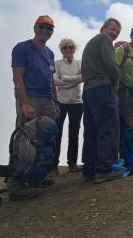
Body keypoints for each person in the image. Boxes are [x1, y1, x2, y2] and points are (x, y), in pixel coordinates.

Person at [10, 14, 59, 200]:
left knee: (45, 139)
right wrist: (24, 102)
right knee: (24, 139)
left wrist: (55, 102)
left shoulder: (50, 53)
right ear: (35, 27)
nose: (45, 31)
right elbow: (17, 77)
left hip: (47, 100)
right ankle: (16, 186)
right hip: (30, 97)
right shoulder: (22, 48)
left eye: (49, 28)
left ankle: (36, 177)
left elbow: (51, 79)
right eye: (42, 27)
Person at [81, 18, 122, 183]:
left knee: (91, 130)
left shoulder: (91, 43)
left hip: (89, 90)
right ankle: (104, 169)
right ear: (103, 28)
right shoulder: (104, 40)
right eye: (112, 29)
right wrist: (116, 83)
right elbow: (110, 64)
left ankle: (89, 169)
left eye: (117, 32)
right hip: (102, 87)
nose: (114, 33)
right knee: (108, 127)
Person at [53, 38, 83, 174]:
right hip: (61, 102)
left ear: (74, 49)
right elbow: (55, 82)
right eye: (65, 48)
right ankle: (53, 165)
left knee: (74, 134)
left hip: (77, 102)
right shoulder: (57, 64)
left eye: (71, 47)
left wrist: (65, 78)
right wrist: (74, 81)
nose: (68, 50)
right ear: (61, 50)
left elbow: (84, 77)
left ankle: (72, 164)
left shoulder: (79, 63)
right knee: (56, 134)